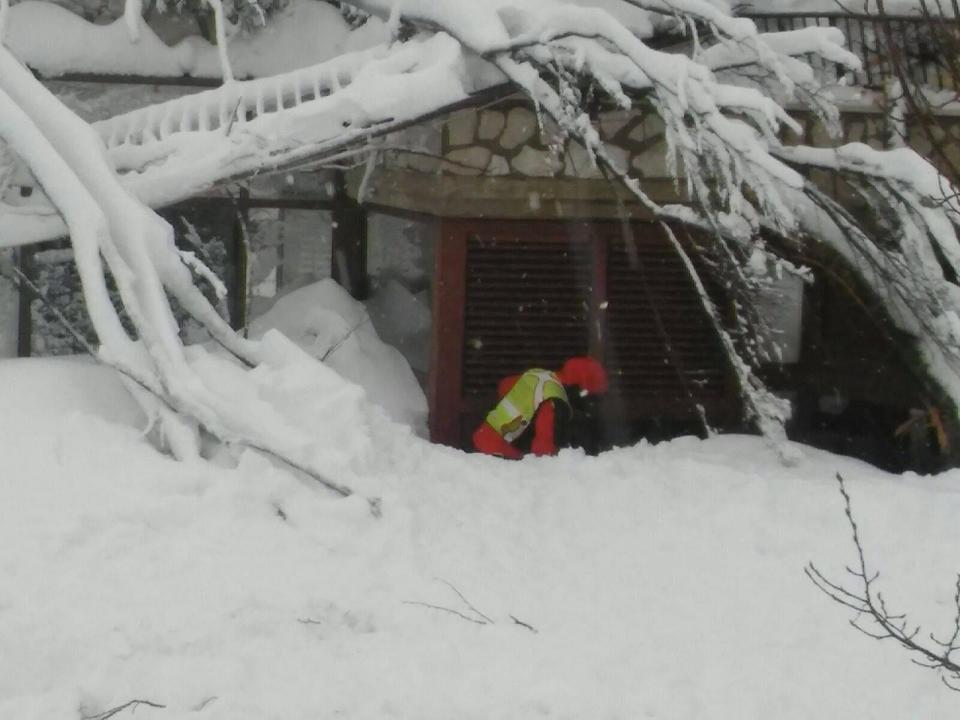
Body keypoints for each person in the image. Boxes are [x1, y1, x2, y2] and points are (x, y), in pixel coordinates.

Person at [472, 356, 609, 459]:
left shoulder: (539, 376)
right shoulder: (554, 399)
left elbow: (504, 385)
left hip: (482, 440)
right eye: (592, 398)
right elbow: (543, 449)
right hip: (500, 454)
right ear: (579, 389)